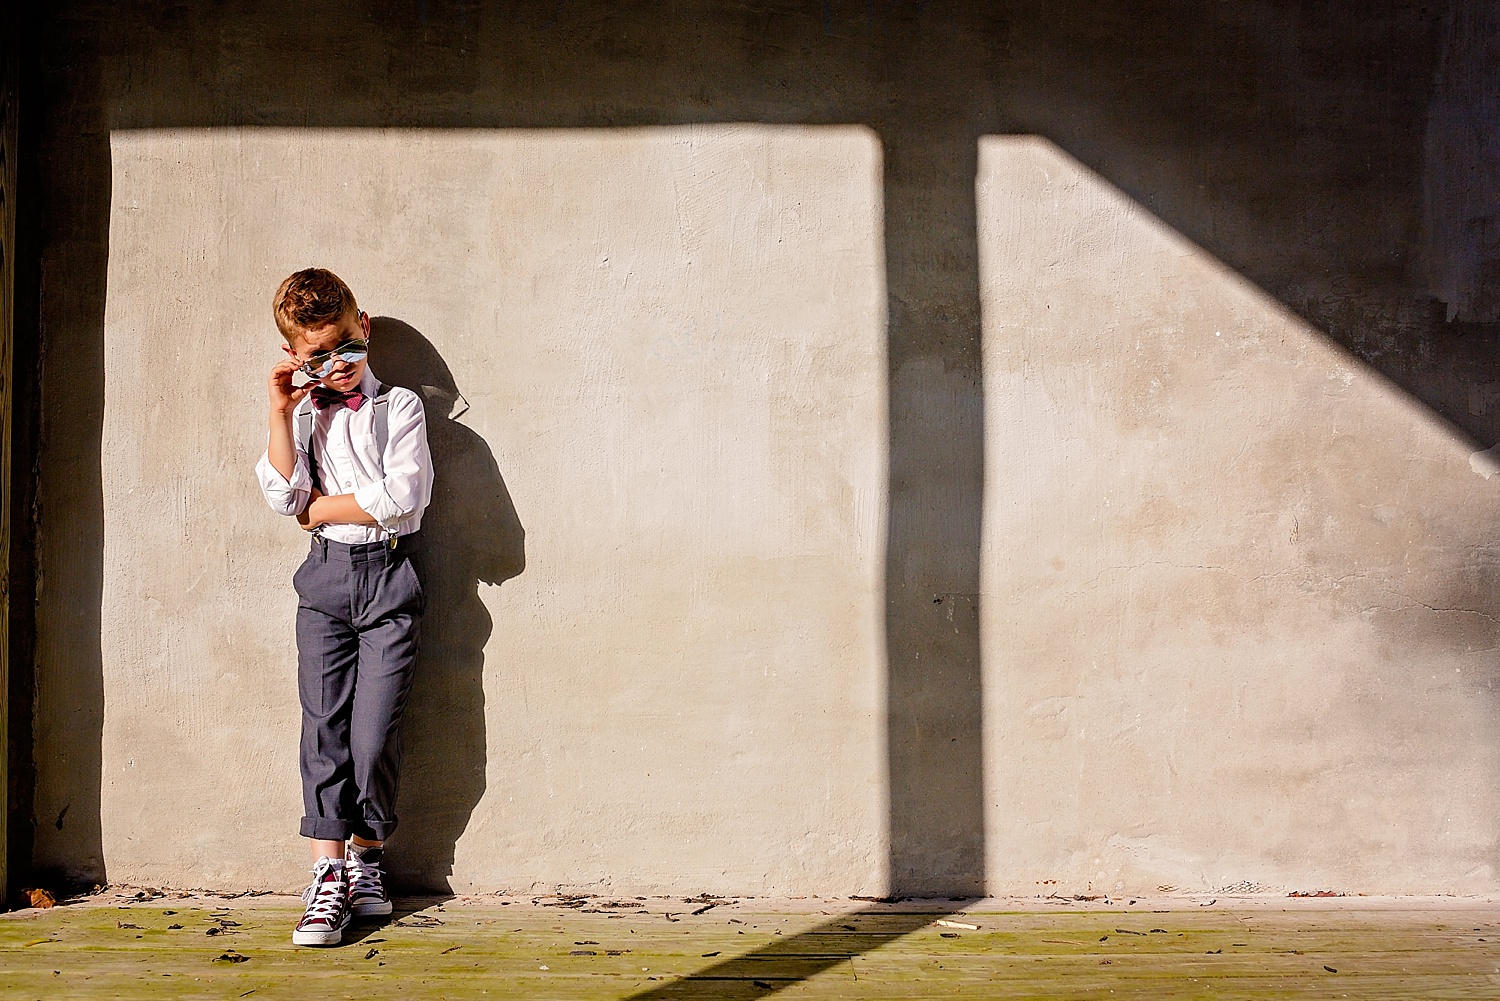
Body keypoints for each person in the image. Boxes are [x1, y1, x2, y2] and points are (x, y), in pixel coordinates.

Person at [256, 268, 434, 946]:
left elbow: (402, 498)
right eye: (316, 358)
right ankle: (327, 875)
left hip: (388, 578)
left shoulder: (402, 408)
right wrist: (278, 412)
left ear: (364, 329)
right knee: (322, 729)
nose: (334, 368)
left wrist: (317, 507)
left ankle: (366, 855)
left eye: (344, 350)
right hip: (326, 581)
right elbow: (281, 494)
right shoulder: (303, 416)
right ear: (295, 358)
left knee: (374, 736)